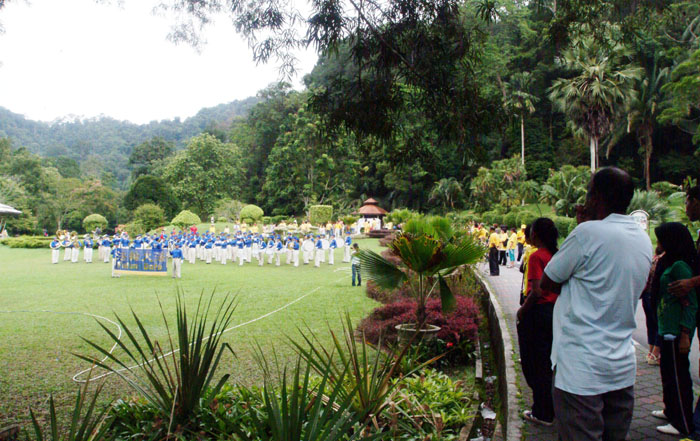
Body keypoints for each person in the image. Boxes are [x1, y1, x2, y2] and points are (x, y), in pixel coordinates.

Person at [540, 167, 653, 441]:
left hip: (581, 370)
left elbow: (548, 281)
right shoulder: (642, 238)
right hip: (621, 368)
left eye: (589, 193)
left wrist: (583, 227)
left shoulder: (586, 234)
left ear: (597, 197)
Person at [649, 222, 697, 436]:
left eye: (662, 238)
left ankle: (682, 423)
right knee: (668, 373)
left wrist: (685, 333)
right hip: (665, 328)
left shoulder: (680, 266)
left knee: (678, 376)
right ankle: (671, 411)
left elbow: (691, 303)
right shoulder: (668, 260)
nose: (659, 243)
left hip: (677, 331)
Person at [517, 218, 559, 427]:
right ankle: (549, 407)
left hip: (537, 313)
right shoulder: (556, 255)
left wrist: (522, 311)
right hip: (554, 313)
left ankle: (542, 411)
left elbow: (537, 291)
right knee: (547, 362)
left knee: (533, 363)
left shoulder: (536, 256)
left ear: (535, 234)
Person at [640, 246, 663, 366]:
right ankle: (655, 354)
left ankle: (650, 352)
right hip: (656, 296)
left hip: (646, 295)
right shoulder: (662, 261)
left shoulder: (652, 259)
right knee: (659, 325)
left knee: (650, 324)